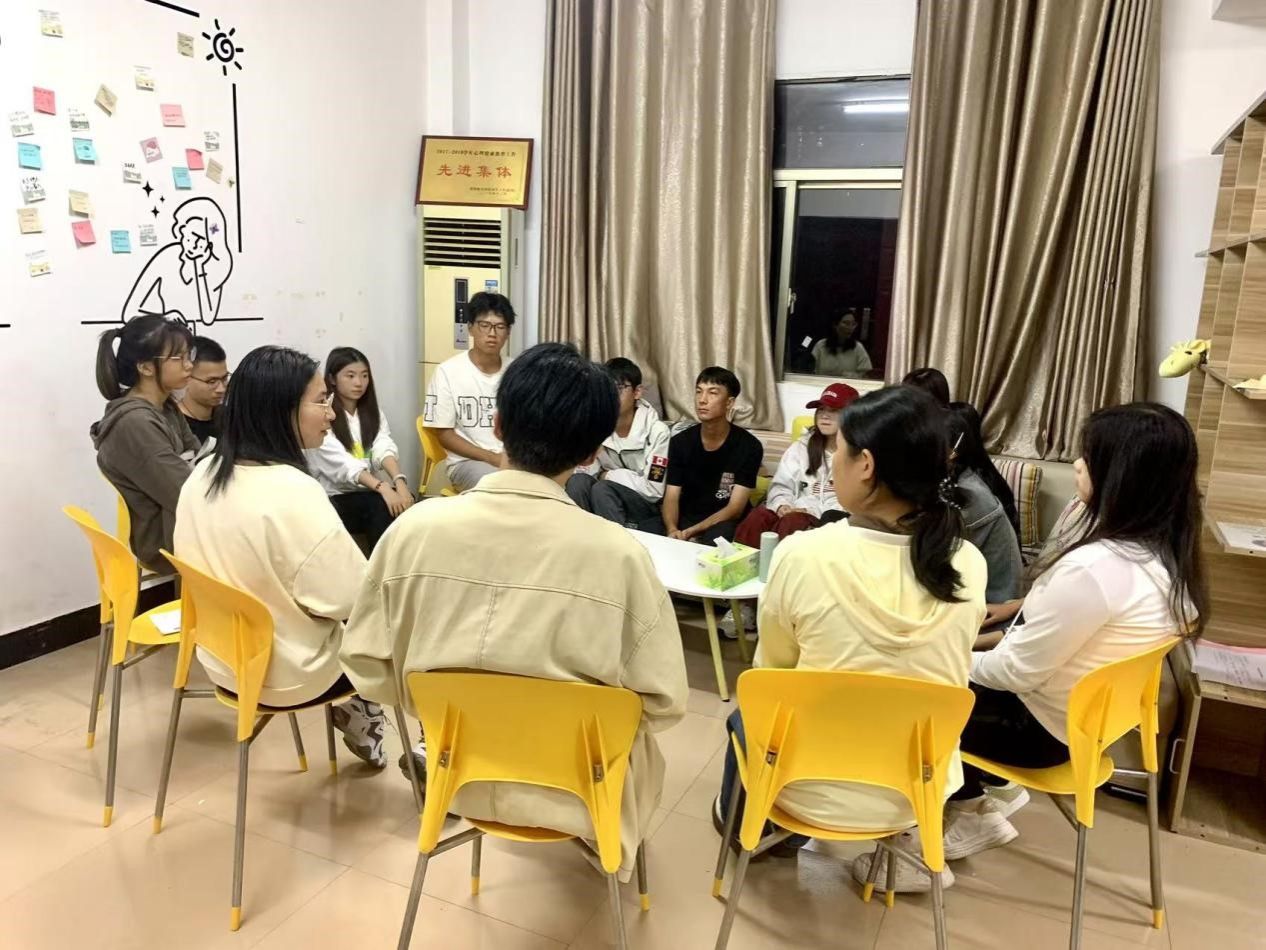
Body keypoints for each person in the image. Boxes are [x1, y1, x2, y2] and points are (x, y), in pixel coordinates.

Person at [340, 342, 689, 880]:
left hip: (457, 772)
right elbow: (664, 703)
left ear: (498, 425)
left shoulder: (413, 531)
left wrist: (452, 701)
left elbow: (366, 664)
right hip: (580, 791)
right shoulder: (620, 557)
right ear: (591, 453)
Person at [712, 386, 987, 885]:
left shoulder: (804, 554)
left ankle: (751, 833)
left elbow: (771, 675)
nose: (832, 461)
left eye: (839, 449)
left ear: (866, 465)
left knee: (743, 713)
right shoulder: (967, 562)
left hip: (803, 785)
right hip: (916, 792)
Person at [931, 403, 1207, 875]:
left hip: (1037, 734)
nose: (1077, 464)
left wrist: (942, 658)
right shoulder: (1167, 558)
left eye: (1089, 457)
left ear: (1124, 476)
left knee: (913, 695)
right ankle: (976, 801)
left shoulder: (1097, 568)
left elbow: (1012, 672)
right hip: (1083, 727)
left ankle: (948, 820)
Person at [173, 346, 388, 767]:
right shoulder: (294, 491)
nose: (330, 414)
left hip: (223, 662)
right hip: (292, 673)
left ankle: (363, 712)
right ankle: (428, 744)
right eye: (320, 401)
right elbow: (351, 600)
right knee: (402, 623)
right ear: (282, 410)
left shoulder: (203, 473)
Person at [91, 313, 199, 573]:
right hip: (165, 540)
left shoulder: (165, 406)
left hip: (179, 522)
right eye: (179, 358)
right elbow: (186, 493)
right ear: (146, 367)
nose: (189, 366)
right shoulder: (135, 424)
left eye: (189, 355)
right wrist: (191, 465)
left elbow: (197, 452)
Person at [306, 347, 413, 549]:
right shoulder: (324, 414)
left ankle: (399, 562)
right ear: (332, 379)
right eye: (350, 375)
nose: (359, 382)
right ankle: (380, 565)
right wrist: (383, 488)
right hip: (333, 497)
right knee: (380, 505)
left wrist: (399, 481)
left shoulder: (372, 412)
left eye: (364, 376)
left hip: (367, 492)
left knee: (406, 500)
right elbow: (343, 464)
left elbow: (382, 445)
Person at [734, 382, 857, 547]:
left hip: (831, 519)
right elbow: (781, 486)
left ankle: (778, 564)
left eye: (834, 410)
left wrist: (808, 511)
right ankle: (740, 562)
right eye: (821, 409)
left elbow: (855, 504)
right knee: (759, 517)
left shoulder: (860, 454)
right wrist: (782, 505)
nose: (824, 416)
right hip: (795, 509)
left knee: (793, 521)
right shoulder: (801, 447)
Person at [566, 357, 671, 532]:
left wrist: (608, 475)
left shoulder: (657, 432)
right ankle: (580, 539)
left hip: (644, 506)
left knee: (602, 489)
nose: (611, 395)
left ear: (637, 392)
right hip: (604, 497)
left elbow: (653, 490)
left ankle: (615, 545)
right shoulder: (597, 425)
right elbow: (587, 471)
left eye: (619, 388)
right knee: (577, 482)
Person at [423, 291, 515, 491]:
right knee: (499, 486)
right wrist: (492, 458)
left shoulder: (517, 371)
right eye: (485, 325)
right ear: (470, 328)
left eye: (500, 327)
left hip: (514, 461)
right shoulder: (447, 372)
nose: (492, 333)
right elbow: (444, 434)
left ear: (508, 332)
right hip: (467, 462)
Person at [662, 367, 764, 544]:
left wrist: (692, 532)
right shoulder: (680, 442)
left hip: (724, 521)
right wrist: (672, 529)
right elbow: (671, 495)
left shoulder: (749, 446)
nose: (702, 400)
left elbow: (735, 509)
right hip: (686, 518)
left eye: (713, 393)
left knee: (718, 538)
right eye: (699, 392)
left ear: (729, 403)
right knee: (648, 529)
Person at [947, 403, 1023, 607]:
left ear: (953, 451)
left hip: (993, 604)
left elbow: (939, 562)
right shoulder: (964, 477)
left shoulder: (970, 494)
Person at [179, 335, 229, 445]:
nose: (221, 389)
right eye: (212, 381)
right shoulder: (173, 424)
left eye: (224, 378)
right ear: (187, 378)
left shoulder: (230, 417)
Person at [812, 310, 872, 376]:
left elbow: (864, 374)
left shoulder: (858, 347)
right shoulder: (821, 345)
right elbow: (811, 370)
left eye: (853, 324)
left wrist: (847, 375)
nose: (850, 327)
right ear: (835, 325)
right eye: (846, 323)